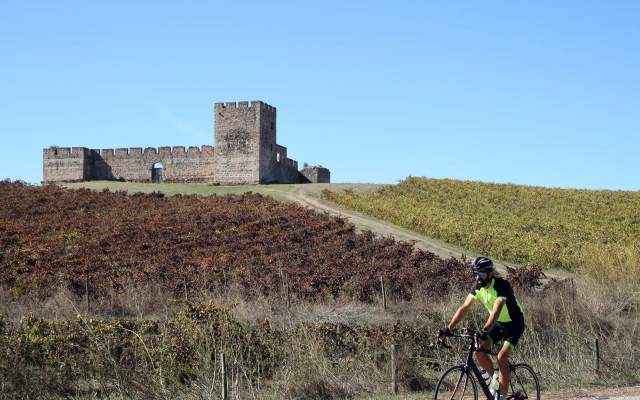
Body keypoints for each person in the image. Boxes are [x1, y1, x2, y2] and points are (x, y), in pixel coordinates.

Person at [439, 256, 525, 400]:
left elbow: (497, 310)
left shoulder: (502, 285)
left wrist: (484, 331)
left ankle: (502, 396)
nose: (478, 277)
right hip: (499, 324)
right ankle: (495, 382)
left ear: (490, 273)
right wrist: (448, 328)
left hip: (514, 323)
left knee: (501, 357)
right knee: (478, 351)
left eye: (482, 274)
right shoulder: (478, 287)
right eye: (475, 273)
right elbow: (464, 307)